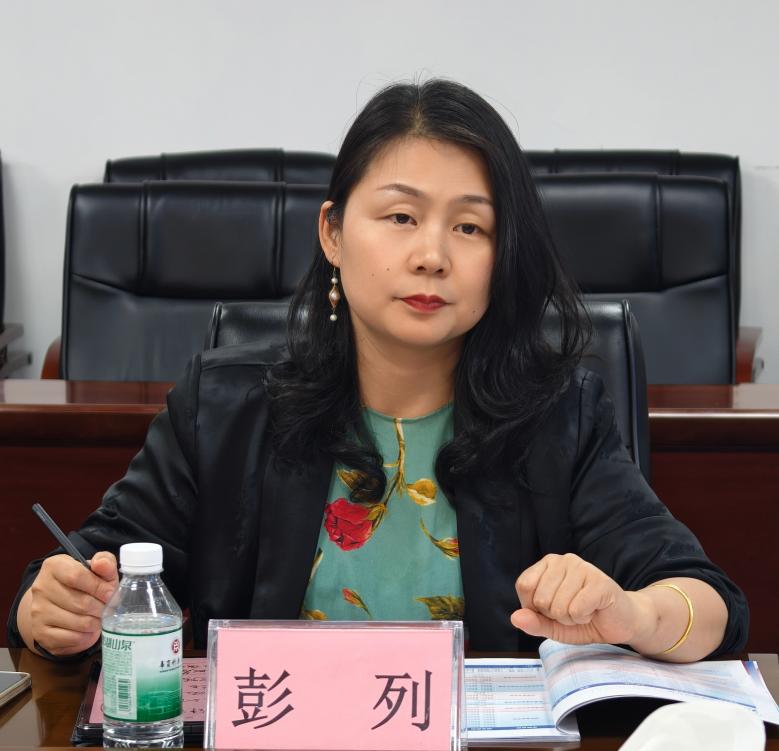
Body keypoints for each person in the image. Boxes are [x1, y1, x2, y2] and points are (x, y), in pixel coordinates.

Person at [8, 79, 747, 662]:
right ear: (332, 233)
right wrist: (53, 611)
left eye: (470, 226)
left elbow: (712, 605)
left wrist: (633, 613)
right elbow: (92, 571)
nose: (431, 255)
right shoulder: (225, 404)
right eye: (400, 217)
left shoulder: (559, 412)